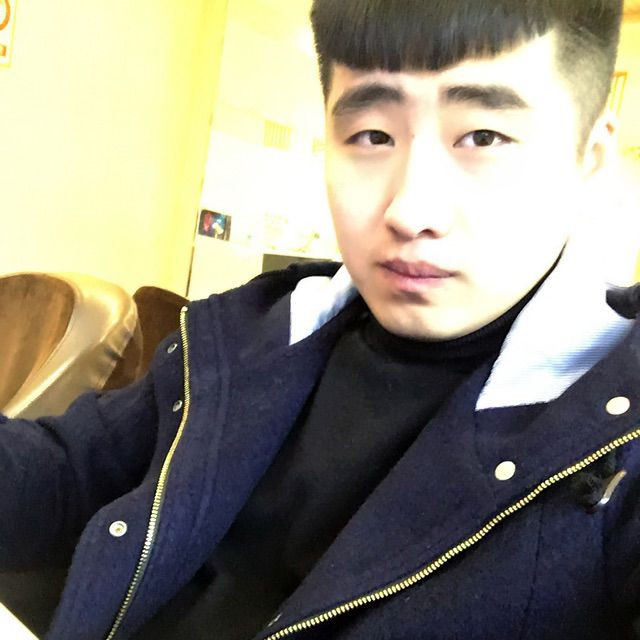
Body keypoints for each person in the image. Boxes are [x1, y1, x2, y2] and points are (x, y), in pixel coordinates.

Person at [1, 1, 639, 638]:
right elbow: (63, 472)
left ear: (590, 155)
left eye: (483, 137)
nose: (410, 211)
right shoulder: (259, 331)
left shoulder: (618, 432)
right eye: (373, 136)